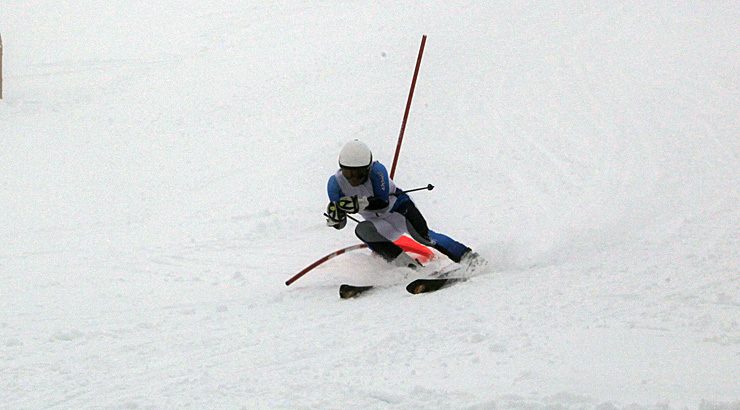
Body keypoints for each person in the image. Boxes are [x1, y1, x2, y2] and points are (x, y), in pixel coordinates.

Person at [325, 139, 482, 270]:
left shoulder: (377, 171)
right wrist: (336, 219)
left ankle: (468, 257)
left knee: (424, 237)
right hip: (378, 224)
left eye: (359, 174)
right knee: (362, 230)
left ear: (368, 168)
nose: (353, 179)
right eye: (348, 173)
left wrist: (358, 204)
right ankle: (411, 268)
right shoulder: (335, 184)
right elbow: (341, 222)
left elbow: (382, 203)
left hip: (399, 211)